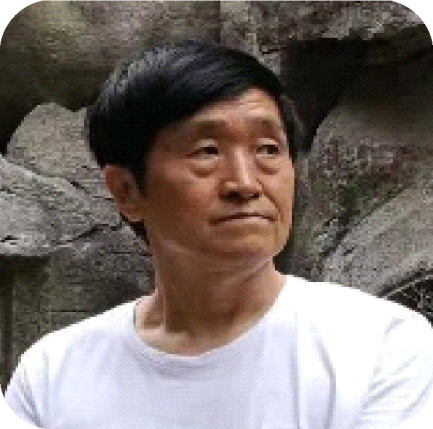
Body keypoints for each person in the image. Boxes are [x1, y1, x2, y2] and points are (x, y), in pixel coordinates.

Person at [5, 41, 433, 429]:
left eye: (268, 150)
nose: (245, 183)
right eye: (207, 152)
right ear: (127, 190)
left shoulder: (382, 347)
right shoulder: (52, 376)